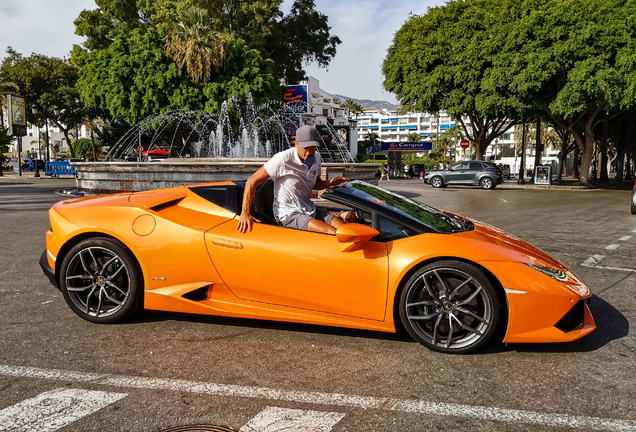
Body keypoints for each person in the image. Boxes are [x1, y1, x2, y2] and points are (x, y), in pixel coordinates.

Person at [237, 125, 354, 235]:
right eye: (305, 148)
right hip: (289, 214)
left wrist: (330, 183)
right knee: (332, 233)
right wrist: (245, 213)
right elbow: (252, 180)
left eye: (312, 147)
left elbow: (315, 184)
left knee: (345, 230)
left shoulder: (316, 158)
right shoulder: (283, 159)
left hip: (309, 210)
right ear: (296, 144)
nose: (308, 152)